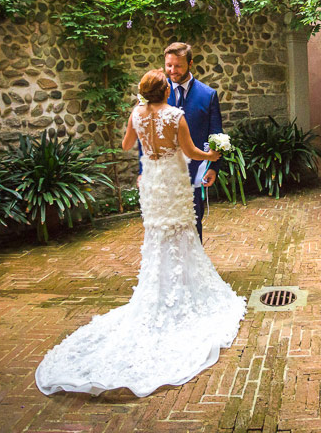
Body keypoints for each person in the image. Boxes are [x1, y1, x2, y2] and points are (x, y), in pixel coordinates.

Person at [35, 69, 246, 397]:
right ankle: (182, 289)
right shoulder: (176, 116)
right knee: (181, 235)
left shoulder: (136, 114)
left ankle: (159, 288)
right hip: (173, 184)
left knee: (158, 239)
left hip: (152, 183)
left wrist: (140, 125)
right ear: (165, 91)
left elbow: (126, 144)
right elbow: (190, 152)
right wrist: (212, 156)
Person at [138, 42, 223, 243]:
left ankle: (193, 268)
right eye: (169, 66)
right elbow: (145, 137)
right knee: (165, 224)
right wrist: (143, 171)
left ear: (190, 64)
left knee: (193, 222)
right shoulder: (155, 94)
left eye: (178, 66)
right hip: (162, 172)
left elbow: (216, 134)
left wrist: (213, 168)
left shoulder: (207, 95)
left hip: (195, 170)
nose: (172, 71)